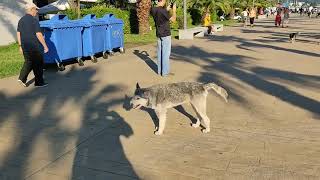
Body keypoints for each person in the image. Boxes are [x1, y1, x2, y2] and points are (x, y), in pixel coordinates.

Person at [17, 3, 49, 87]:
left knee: (29, 61)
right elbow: (38, 34)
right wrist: (45, 46)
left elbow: (18, 33)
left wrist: (20, 46)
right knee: (38, 63)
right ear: (31, 9)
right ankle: (39, 82)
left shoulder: (21, 20)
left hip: (25, 46)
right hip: (35, 46)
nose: (37, 11)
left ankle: (22, 78)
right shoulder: (34, 20)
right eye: (36, 9)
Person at [150, 0, 176, 77]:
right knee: (165, 54)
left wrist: (167, 9)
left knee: (160, 53)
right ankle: (165, 73)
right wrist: (174, 10)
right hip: (166, 34)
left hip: (159, 34)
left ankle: (160, 71)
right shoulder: (163, 11)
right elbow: (173, 20)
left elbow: (160, 13)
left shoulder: (153, 9)